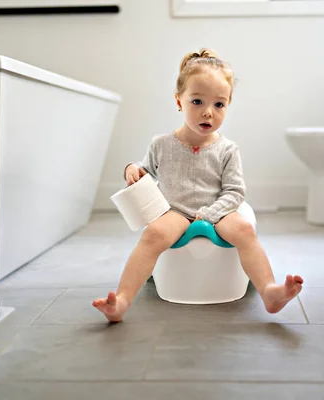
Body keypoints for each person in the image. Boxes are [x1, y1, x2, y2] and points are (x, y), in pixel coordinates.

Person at [93, 48, 303, 322]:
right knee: (153, 235)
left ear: (228, 104)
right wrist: (132, 169)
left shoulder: (227, 149)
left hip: (218, 211)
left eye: (219, 104)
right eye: (197, 102)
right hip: (175, 211)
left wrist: (210, 214)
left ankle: (269, 291)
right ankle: (121, 301)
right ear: (179, 101)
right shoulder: (162, 144)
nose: (208, 113)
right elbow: (145, 171)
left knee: (244, 230)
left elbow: (235, 192)